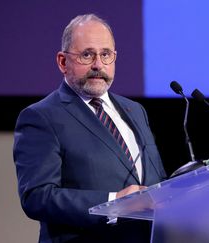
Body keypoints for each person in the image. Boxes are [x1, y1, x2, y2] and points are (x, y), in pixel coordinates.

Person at [13, 14, 167, 243]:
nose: (98, 64)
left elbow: (155, 180)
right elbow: (37, 197)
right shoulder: (41, 117)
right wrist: (114, 202)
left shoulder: (135, 110)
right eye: (87, 55)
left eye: (105, 55)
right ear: (62, 62)